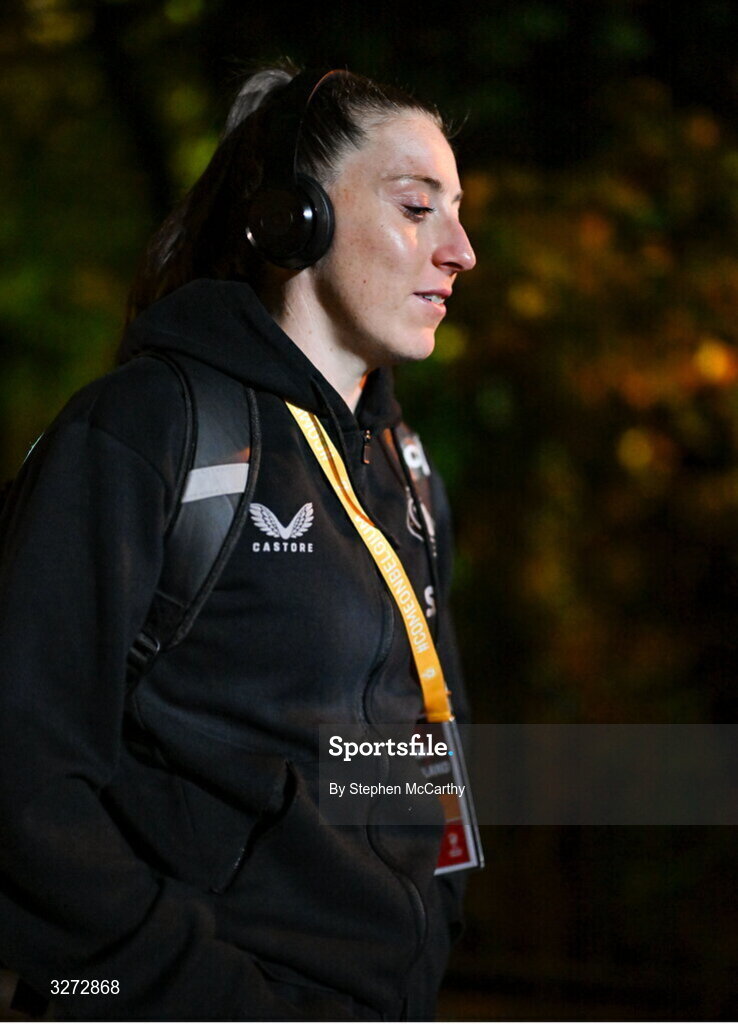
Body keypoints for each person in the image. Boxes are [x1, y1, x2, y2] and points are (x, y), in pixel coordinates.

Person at [0, 62, 477, 1021]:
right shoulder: (148, 430)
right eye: (418, 207)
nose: (460, 249)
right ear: (294, 220)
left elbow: (397, 746)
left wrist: (425, 917)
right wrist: (199, 988)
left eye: (460, 212)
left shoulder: (404, 469)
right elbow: (24, 773)